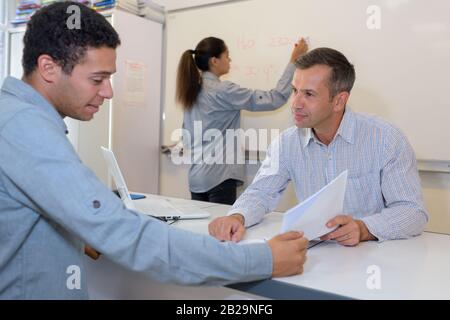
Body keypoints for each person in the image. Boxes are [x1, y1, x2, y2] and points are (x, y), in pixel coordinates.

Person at [0, 2, 308, 299]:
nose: (108, 92)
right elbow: (132, 237)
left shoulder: (16, 117)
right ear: (48, 67)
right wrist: (262, 260)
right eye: (98, 79)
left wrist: (79, 234)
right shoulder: (24, 129)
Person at [208, 47, 428, 246]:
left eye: (309, 94)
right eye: (295, 91)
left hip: (374, 259)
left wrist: (364, 228)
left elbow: (412, 212)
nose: (295, 103)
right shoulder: (287, 143)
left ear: (339, 101)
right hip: (315, 258)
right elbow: (260, 193)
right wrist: (237, 216)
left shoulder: (386, 138)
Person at [176, 36, 308, 205]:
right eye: (227, 55)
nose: (229, 59)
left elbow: (186, 136)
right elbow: (275, 98)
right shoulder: (223, 90)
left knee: (204, 229)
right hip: (219, 178)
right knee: (221, 229)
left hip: (196, 179)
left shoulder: (191, 91)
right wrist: (294, 62)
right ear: (214, 61)